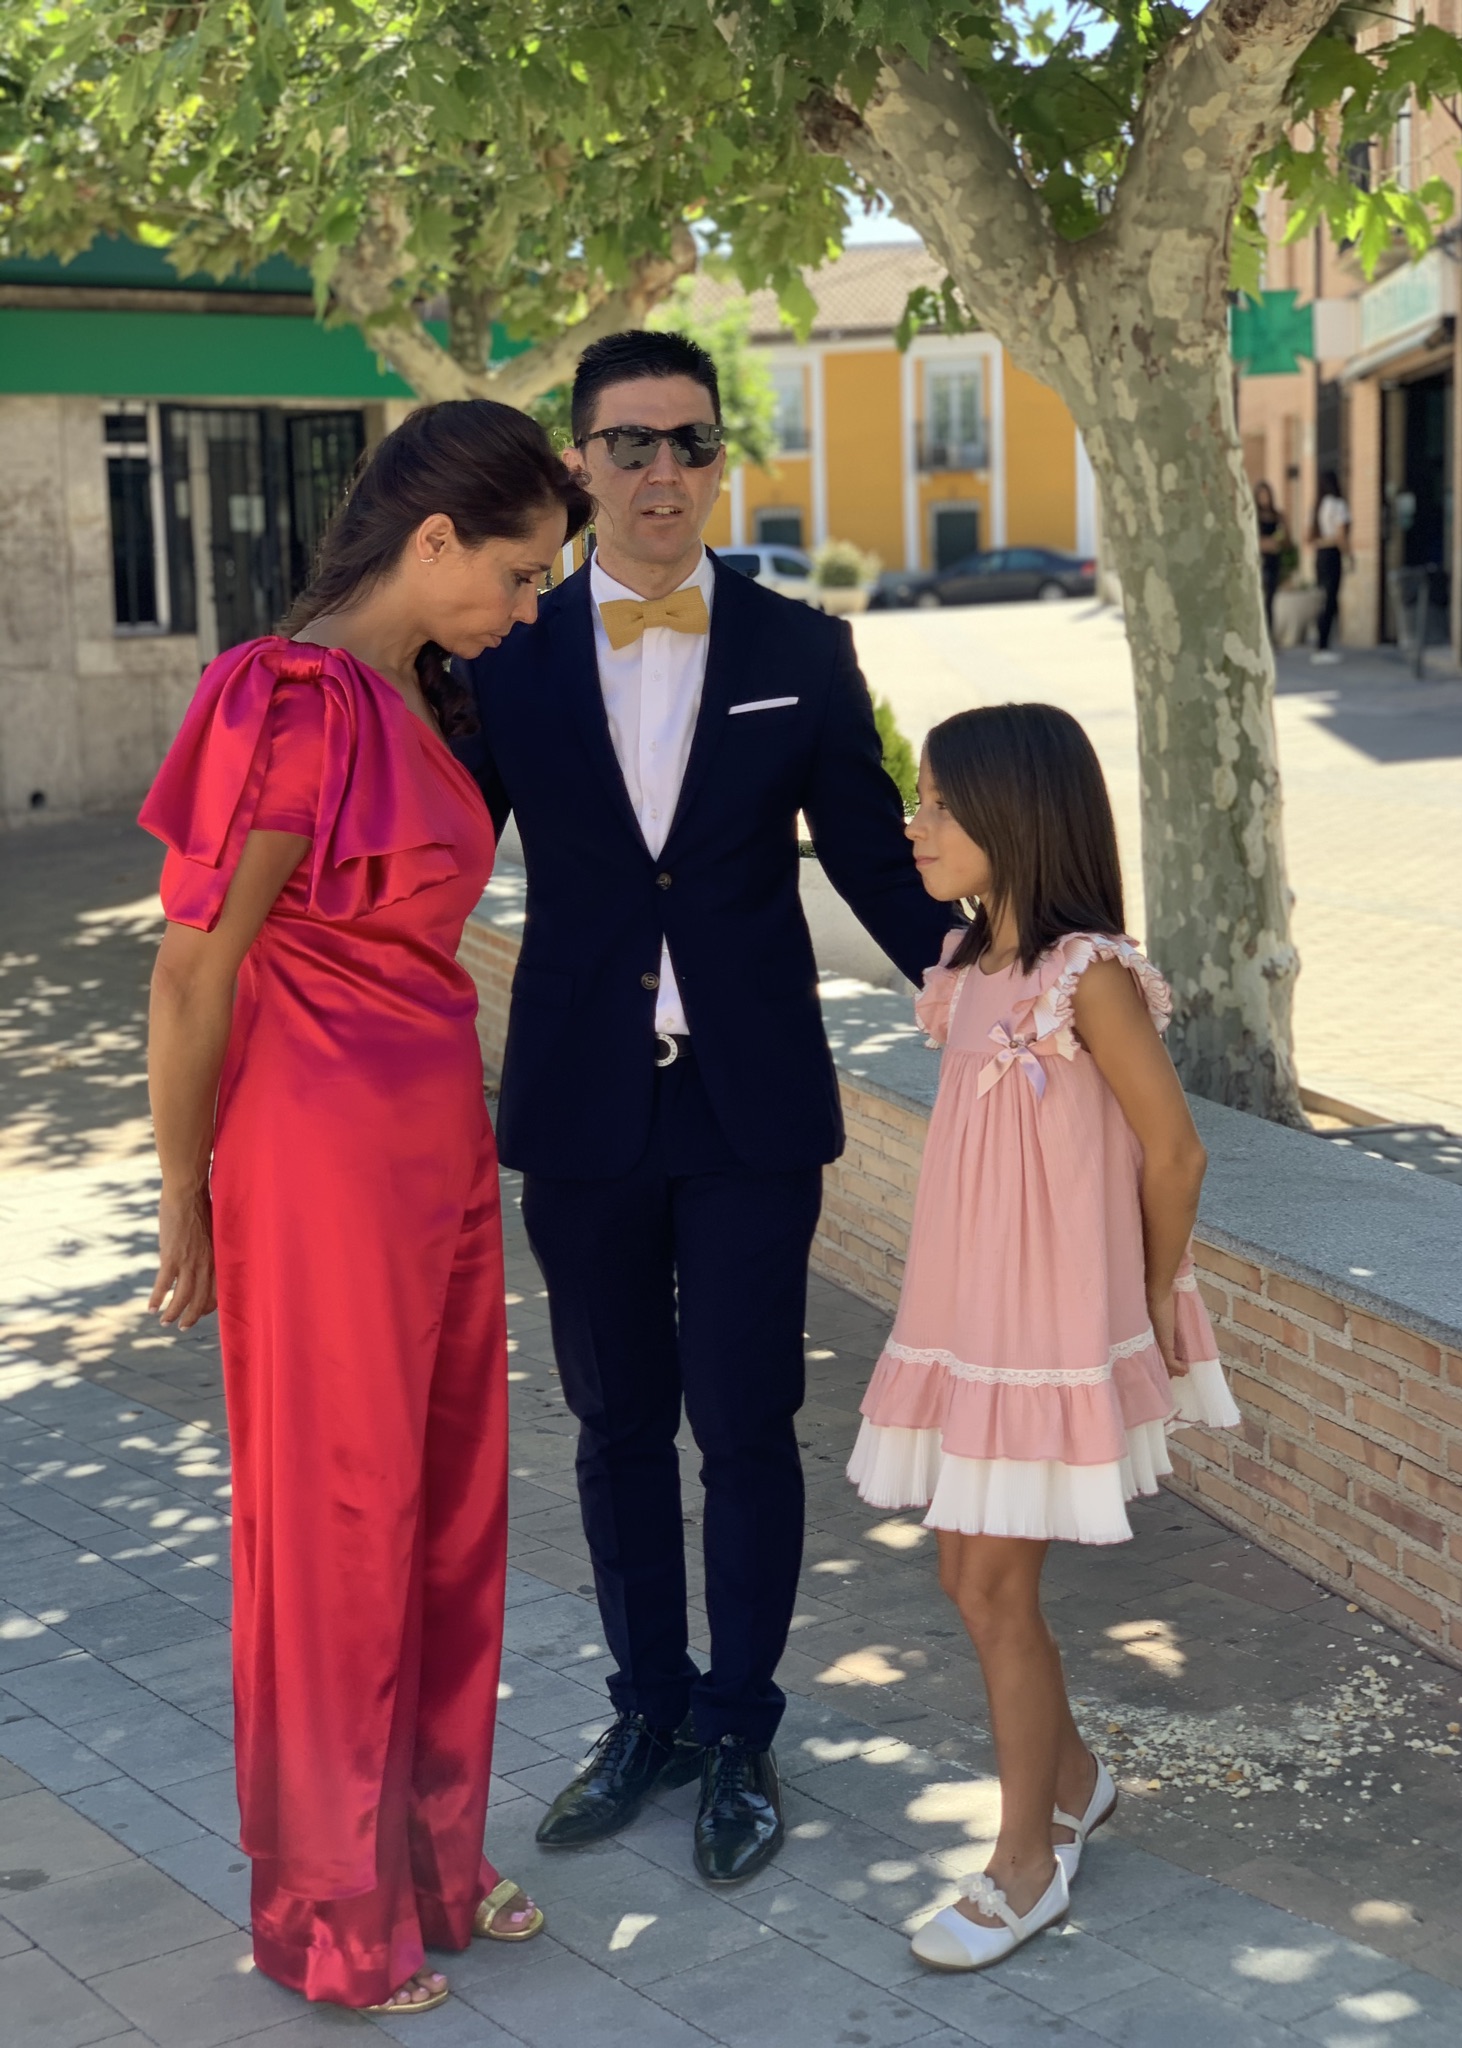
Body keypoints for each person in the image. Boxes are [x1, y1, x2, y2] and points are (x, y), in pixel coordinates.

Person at [457, 330, 954, 1885]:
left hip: (750, 1112)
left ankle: (741, 1729)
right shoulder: (505, 655)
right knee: (616, 1428)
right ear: (579, 463)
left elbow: (876, 860)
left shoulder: (802, 650)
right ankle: (647, 1713)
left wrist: (1013, 985)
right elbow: (433, 859)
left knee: (746, 1426)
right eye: (630, 443)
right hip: (584, 1107)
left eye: (689, 441)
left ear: (719, 458)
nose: (661, 471)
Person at [140, 401, 590, 2013]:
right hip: (317, 1160)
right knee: (340, 1530)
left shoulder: (422, 692)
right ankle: (330, 1915)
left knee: (451, 1512)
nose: (528, 607)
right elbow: (192, 971)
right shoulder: (287, 699)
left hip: (437, 1147)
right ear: (434, 539)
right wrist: (183, 1191)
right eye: (519, 574)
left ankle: (431, 1858)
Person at [848, 703, 1240, 1972]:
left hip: (1044, 1329)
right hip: (968, 1319)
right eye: (917, 799)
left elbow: (1174, 1151)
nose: (915, 823)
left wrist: (1154, 1294)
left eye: (940, 802)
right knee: (963, 1578)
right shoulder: (966, 970)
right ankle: (1073, 1777)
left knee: (995, 1586)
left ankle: (1027, 1859)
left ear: (1016, 814)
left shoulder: (1090, 974)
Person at [1309, 469, 1351, 664]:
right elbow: (1341, 535)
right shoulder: (1338, 504)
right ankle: (1323, 645)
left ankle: (1320, 643)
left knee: (1322, 598)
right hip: (1332, 554)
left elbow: (1308, 536)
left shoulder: (1317, 507)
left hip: (1320, 554)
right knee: (1331, 599)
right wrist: (1348, 555)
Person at [1253, 479, 1289, 636]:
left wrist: (1279, 539)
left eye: (1266, 495)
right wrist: (1263, 544)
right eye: (1261, 495)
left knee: (1270, 600)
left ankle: (1269, 634)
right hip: (1259, 561)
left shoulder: (1278, 516)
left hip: (1274, 561)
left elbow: (1287, 539)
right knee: (1259, 599)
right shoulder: (1254, 516)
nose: (1264, 498)